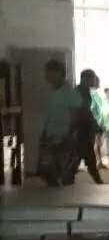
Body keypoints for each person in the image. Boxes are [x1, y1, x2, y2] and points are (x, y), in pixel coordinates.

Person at [38, 58, 82, 186]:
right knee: (46, 171)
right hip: (50, 137)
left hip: (63, 138)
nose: (47, 76)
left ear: (59, 73)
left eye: (50, 73)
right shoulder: (52, 92)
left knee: (63, 172)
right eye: (46, 73)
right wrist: (44, 134)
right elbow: (50, 116)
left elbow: (75, 117)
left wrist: (68, 136)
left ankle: (64, 195)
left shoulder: (70, 93)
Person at [74, 69, 103, 184]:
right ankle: (98, 181)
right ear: (86, 79)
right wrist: (95, 126)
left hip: (83, 130)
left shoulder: (82, 91)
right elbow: (84, 112)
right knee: (85, 158)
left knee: (83, 158)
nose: (95, 80)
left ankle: (98, 181)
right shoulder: (81, 92)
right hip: (81, 131)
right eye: (93, 78)